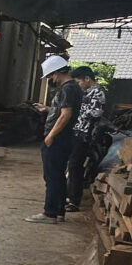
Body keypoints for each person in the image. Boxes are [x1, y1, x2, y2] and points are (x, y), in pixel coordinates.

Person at [25, 55, 82, 224]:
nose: (51, 79)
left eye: (51, 76)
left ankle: (49, 213)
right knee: (58, 175)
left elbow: (66, 115)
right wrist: (48, 109)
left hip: (59, 139)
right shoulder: (72, 88)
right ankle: (59, 211)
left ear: (57, 72)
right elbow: (62, 111)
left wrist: (51, 135)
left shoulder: (68, 89)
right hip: (64, 138)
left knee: (51, 176)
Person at [66, 65, 106, 211]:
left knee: (75, 166)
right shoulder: (86, 92)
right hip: (78, 132)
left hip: (85, 135)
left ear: (87, 79)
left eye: (79, 82)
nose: (78, 85)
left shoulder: (98, 92)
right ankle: (69, 196)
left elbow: (96, 113)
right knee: (71, 165)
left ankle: (74, 200)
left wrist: (77, 112)